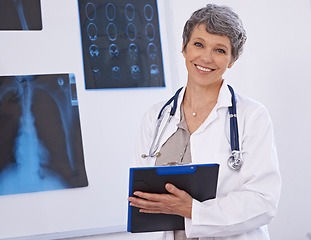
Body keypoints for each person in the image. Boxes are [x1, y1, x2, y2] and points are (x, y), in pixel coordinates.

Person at [128, 3, 281, 240]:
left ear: (232, 59)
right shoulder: (155, 117)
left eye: (220, 50)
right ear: (184, 48)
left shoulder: (252, 116)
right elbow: (141, 198)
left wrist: (193, 211)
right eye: (198, 44)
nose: (206, 57)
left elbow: (263, 201)